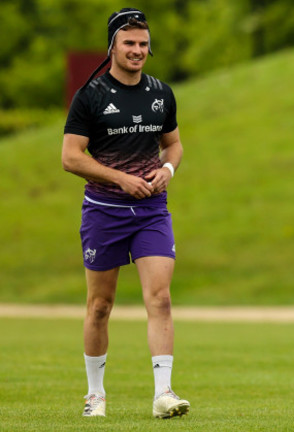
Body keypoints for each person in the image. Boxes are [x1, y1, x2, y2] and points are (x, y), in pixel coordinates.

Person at [62, 8, 189, 419]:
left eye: (142, 43)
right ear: (113, 47)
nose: (137, 50)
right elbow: (70, 158)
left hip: (151, 211)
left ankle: (164, 393)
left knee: (161, 298)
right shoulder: (91, 96)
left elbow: (173, 145)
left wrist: (167, 169)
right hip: (104, 212)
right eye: (129, 43)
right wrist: (120, 179)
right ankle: (95, 395)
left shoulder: (161, 93)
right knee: (100, 305)